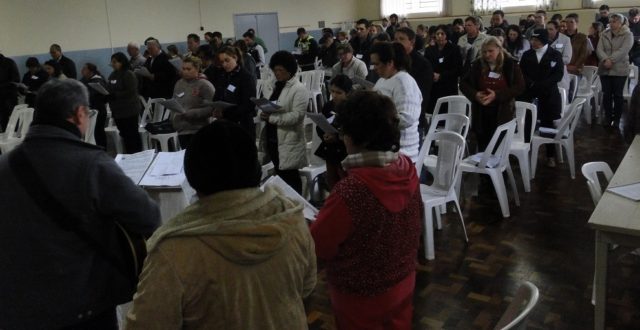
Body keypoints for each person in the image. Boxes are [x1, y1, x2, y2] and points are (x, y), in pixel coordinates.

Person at [0, 79, 160, 329]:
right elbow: (149, 217)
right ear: (78, 114)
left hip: (15, 308)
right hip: (80, 304)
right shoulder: (92, 164)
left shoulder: (5, 166)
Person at [125, 119, 316, 329]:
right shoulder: (291, 219)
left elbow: (146, 324)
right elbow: (306, 289)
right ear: (254, 168)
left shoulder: (173, 250)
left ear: (193, 176)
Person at [310, 90, 422, 330]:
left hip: (360, 297)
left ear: (352, 136)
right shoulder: (407, 168)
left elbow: (318, 246)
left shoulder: (351, 191)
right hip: (402, 280)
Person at [460, 36, 525, 151]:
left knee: (498, 149)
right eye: (484, 52)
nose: (487, 55)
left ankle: (498, 168)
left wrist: (497, 95)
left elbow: (519, 87)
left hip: (503, 112)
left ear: (499, 49)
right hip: (481, 112)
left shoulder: (510, 64)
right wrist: (475, 94)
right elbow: (463, 84)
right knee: (483, 148)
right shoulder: (477, 64)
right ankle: (483, 167)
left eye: (491, 51)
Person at [259, 51, 308, 193]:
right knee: (279, 174)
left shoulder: (299, 89)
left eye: (280, 70)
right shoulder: (273, 86)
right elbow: (265, 103)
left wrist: (272, 118)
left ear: (290, 70)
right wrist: (262, 112)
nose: (277, 73)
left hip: (289, 140)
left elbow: (296, 116)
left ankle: (299, 206)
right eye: (275, 70)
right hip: (272, 137)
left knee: (290, 177)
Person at [370, 42, 422, 162]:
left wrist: (374, 120)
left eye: (377, 64)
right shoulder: (382, 80)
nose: (374, 68)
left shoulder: (404, 83)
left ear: (390, 63)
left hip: (401, 152)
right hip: (383, 145)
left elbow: (406, 119)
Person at [520, 29, 564, 167]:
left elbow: (558, 74)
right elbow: (522, 72)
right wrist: (532, 84)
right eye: (532, 40)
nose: (533, 43)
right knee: (527, 122)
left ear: (544, 41)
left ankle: (550, 155)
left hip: (549, 94)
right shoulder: (527, 55)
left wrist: (542, 85)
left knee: (547, 124)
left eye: (537, 40)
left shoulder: (555, 54)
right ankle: (525, 150)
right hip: (530, 92)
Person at [394, 27, 434, 141]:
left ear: (412, 42)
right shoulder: (393, 62)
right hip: (395, 117)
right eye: (395, 39)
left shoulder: (422, 64)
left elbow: (422, 95)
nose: (397, 42)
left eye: (401, 39)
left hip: (414, 119)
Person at [597, 13, 634, 127]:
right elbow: (599, 49)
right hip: (605, 68)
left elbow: (624, 50)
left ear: (621, 23)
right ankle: (608, 117)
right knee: (606, 94)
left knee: (618, 95)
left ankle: (617, 119)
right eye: (611, 21)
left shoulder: (628, 34)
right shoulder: (604, 33)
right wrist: (604, 60)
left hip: (619, 69)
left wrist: (611, 60)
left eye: (615, 21)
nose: (612, 23)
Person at [314, 74, 351, 189]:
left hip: (345, 152)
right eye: (332, 92)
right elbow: (320, 125)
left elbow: (353, 132)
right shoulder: (328, 106)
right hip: (330, 150)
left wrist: (338, 137)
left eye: (339, 93)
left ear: (348, 93)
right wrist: (324, 135)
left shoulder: (353, 108)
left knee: (345, 184)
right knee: (332, 182)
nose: (334, 95)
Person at [171, 56, 215, 149]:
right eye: (183, 69)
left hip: (198, 129)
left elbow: (212, 108)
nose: (185, 71)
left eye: (188, 69)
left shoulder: (204, 85)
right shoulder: (179, 83)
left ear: (197, 69)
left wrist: (193, 113)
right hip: (181, 128)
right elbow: (175, 100)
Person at [213, 46, 257, 139]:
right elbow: (217, 96)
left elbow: (249, 105)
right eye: (222, 62)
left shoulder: (246, 77)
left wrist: (225, 113)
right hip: (226, 123)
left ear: (235, 58)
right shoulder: (223, 76)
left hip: (242, 125)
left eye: (227, 60)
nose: (224, 64)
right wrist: (215, 107)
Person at [107, 52, 143, 153]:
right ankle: (129, 154)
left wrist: (115, 95)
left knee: (131, 134)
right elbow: (109, 87)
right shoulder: (112, 75)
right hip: (118, 111)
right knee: (124, 134)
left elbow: (131, 91)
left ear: (122, 62)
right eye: (112, 62)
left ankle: (137, 154)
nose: (113, 64)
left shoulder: (128, 74)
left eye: (115, 62)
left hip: (129, 110)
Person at [425, 24, 463, 115]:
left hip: (448, 86)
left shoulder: (454, 49)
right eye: (437, 34)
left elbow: (458, 69)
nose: (439, 36)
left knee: (447, 114)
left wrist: (441, 76)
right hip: (434, 87)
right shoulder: (429, 50)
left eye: (442, 34)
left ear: (447, 35)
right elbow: (426, 66)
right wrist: (432, 74)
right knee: (434, 113)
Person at [80, 63, 108, 148]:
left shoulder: (98, 80)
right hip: (90, 110)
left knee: (99, 132)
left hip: (99, 110)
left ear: (90, 71)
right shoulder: (85, 79)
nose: (82, 71)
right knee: (93, 133)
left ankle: (102, 149)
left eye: (84, 69)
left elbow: (91, 94)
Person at [547, 20, 573, 94]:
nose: (548, 31)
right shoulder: (543, 40)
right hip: (546, 74)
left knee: (561, 100)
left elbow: (567, 59)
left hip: (560, 74)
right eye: (547, 29)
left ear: (557, 29)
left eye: (551, 29)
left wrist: (552, 61)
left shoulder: (565, 40)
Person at [0, 51, 19, 131]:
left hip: (10, 96)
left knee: (13, 118)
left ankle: (17, 136)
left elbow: (16, 80)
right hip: (1, 97)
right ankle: (5, 136)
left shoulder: (9, 63)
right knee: (2, 119)